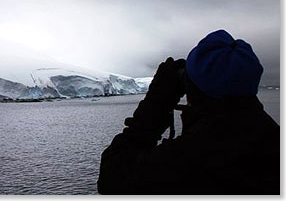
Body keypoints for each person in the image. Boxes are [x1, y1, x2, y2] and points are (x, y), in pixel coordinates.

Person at [97, 29, 279, 194]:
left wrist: (156, 102)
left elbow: (111, 179)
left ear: (191, 87)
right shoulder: (274, 138)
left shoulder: (189, 157)